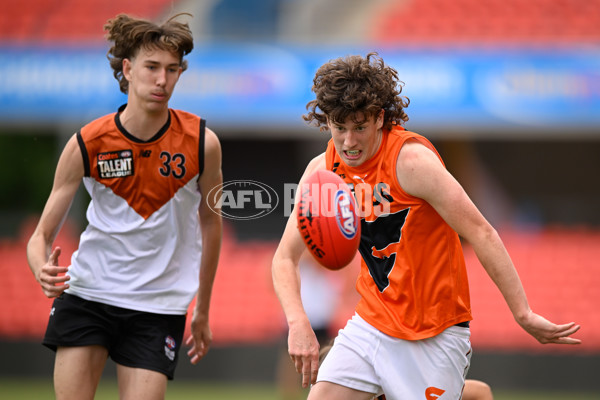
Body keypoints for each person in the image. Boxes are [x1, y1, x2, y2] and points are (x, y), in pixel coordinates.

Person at [271, 52, 581, 399]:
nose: (348, 142)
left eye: (359, 127)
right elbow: (284, 258)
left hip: (435, 333)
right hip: (371, 324)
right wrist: (298, 322)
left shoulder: (412, 162)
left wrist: (523, 313)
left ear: (379, 118)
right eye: (338, 127)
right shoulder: (322, 173)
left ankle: (465, 392)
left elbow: (481, 231)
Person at [26, 13, 223, 400]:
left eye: (172, 69)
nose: (162, 80)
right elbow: (40, 236)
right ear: (128, 69)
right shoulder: (87, 142)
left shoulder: (203, 143)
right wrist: (39, 268)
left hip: (158, 305)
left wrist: (203, 308)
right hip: (88, 294)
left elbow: (211, 224)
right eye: (152, 67)